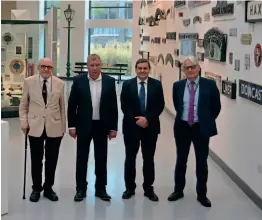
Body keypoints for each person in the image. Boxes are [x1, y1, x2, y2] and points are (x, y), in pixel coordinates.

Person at [168, 56, 221, 207]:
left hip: (201, 128)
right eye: (187, 68)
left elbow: (215, 107)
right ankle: (178, 190)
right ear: (183, 70)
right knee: (181, 160)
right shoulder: (177, 85)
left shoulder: (209, 85)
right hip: (183, 127)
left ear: (199, 68)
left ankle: (202, 194)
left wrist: (205, 120)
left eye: (192, 67)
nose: (190, 70)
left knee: (201, 162)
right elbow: (177, 104)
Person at [67, 54, 118, 202]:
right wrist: (72, 125)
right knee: (82, 158)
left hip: (102, 126)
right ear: (87, 66)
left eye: (97, 65)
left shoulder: (109, 81)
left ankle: (101, 189)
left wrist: (113, 128)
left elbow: (113, 107)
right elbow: (72, 105)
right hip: (83, 125)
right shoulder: (79, 81)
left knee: (101, 158)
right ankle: (81, 189)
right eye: (91, 65)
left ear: (101, 65)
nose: (94, 68)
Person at [19, 58, 66, 202]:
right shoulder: (29, 81)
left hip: (54, 126)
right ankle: (36, 188)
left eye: (49, 67)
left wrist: (63, 127)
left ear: (52, 68)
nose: (46, 69)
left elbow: (62, 106)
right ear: (39, 67)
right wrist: (24, 123)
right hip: (34, 126)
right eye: (43, 66)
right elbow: (23, 105)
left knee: (52, 159)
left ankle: (48, 188)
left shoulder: (60, 83)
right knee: (36, 159)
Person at [120, 58, 165, 202]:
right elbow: (124, 105)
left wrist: (147, 119)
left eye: (145, 68)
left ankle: (148, 189)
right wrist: (137, 119)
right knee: (130, 159)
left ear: (149, 69)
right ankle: (129, 188)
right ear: (136, 69)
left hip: (150, 128)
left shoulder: (157, 85)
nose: (142, 71)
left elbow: (160, 105)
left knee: (148, 159)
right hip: (131, 128)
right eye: (140, 68)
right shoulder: (127, 85)